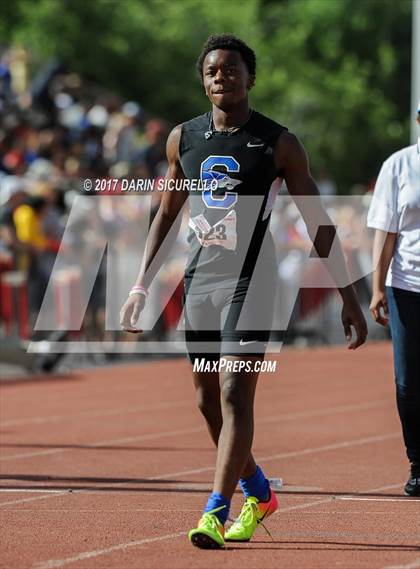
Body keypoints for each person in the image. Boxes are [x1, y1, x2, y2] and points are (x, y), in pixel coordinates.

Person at [120, 34, 367, 549]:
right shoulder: (182, 139)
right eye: (212, 71)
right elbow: (166, 212)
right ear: (203, 80)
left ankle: (215, 508)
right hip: (201, 279)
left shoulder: (279, 143)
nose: (220, 78)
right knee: (206, 401)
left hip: (252, 281)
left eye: (230, 70)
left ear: (249, 78)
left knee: (235, 391)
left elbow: (317, 220)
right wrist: (141, 283)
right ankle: (258, 489)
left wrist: (348, 294)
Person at [368, 102, 420, 497]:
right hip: (406, 286)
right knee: (407, 382)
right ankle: (418, 461)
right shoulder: (399, 166)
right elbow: (385, 231)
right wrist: (376, 287)